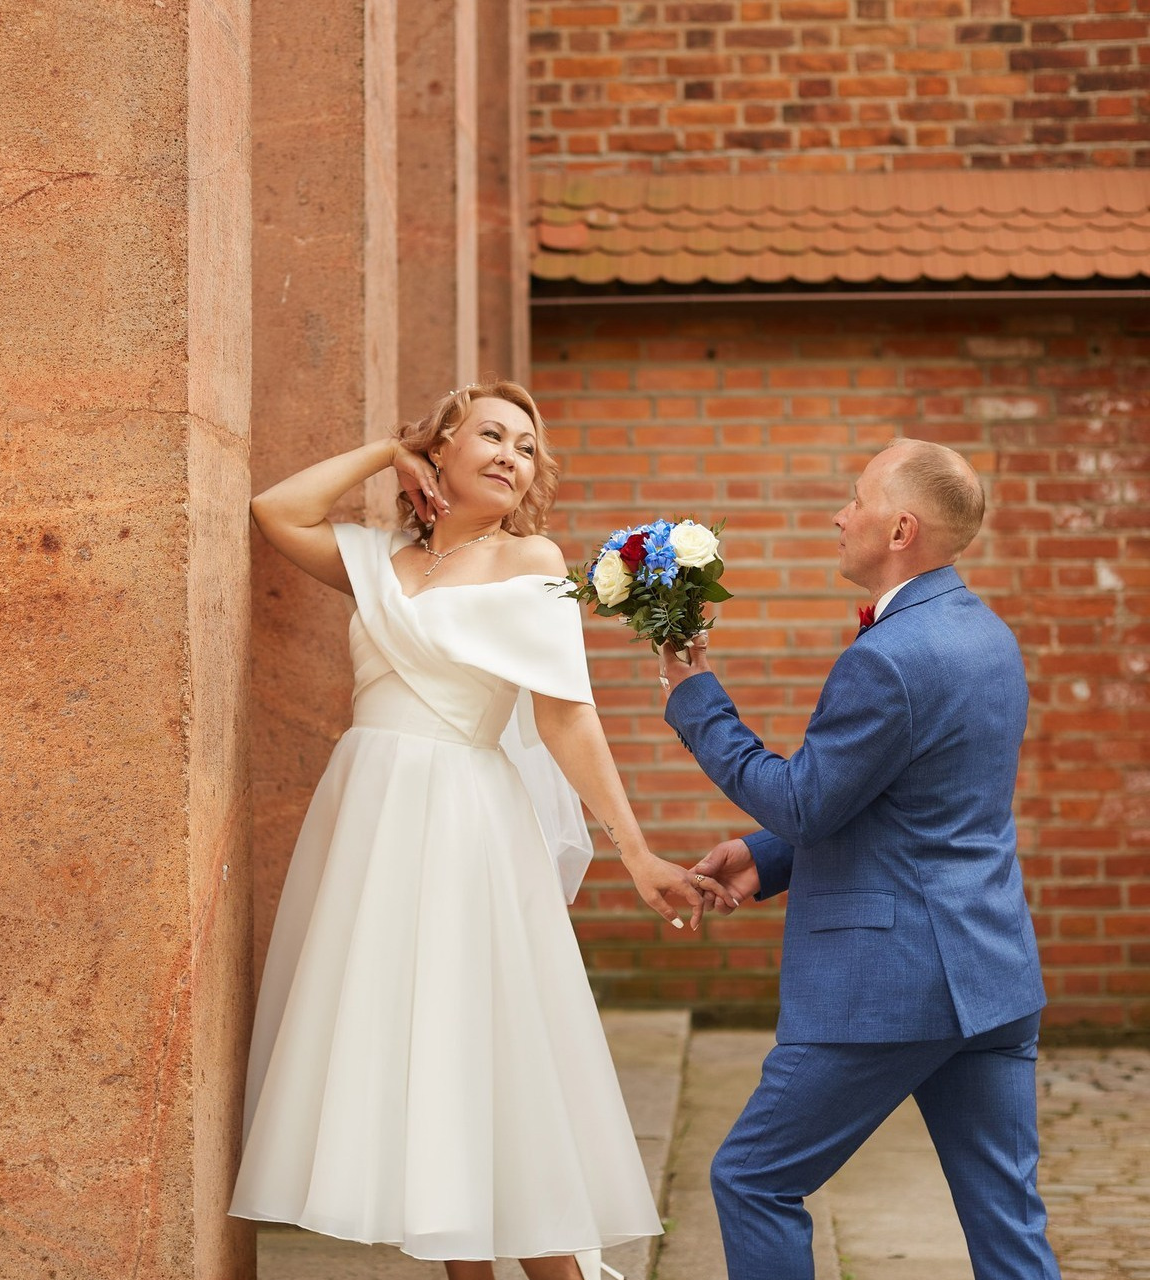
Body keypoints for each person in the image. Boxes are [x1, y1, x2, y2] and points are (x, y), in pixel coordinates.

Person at [231, 380, 723, 1280]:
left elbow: (567, 718)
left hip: (463, 825)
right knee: (428, 1091)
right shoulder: (378, 560)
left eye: (526, 447)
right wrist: (387, 453)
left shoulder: (529, 559)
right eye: (490, 435)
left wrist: (637, 851)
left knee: (488, 1071)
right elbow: (276, 510)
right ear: (442, 449)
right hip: (370, 825)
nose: (511, 454)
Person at [658, 438, 1060, 1280]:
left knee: (753, 1180)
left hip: (890, 984)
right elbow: (919, 810)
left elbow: (805, 798)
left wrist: (696, 697)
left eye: (856, 499)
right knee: (1009, 1230)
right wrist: (767, 861)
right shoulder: (989, 637)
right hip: (989, 976)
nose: (841, 515)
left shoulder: (889, 657)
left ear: (901, 528)